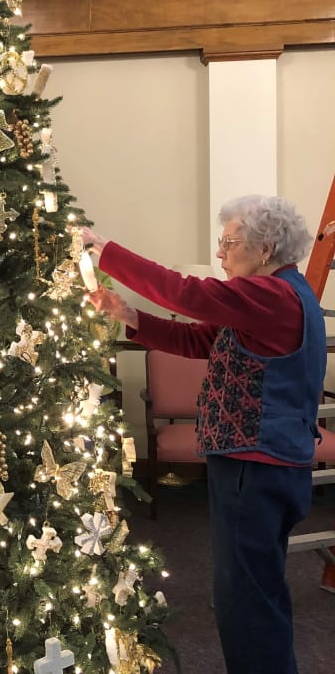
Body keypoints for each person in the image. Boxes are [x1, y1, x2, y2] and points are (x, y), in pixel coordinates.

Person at [81, 194, 327, 674]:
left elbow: (187, 294)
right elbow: (201, 339)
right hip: (266, 461)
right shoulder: (276, 297)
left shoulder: (271, 296)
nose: (220, 254)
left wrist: (104, 250)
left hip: (255, 465)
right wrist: (129, 317)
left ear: (266, 247)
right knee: (256, 588)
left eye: (229, 243)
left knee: (245, 600)